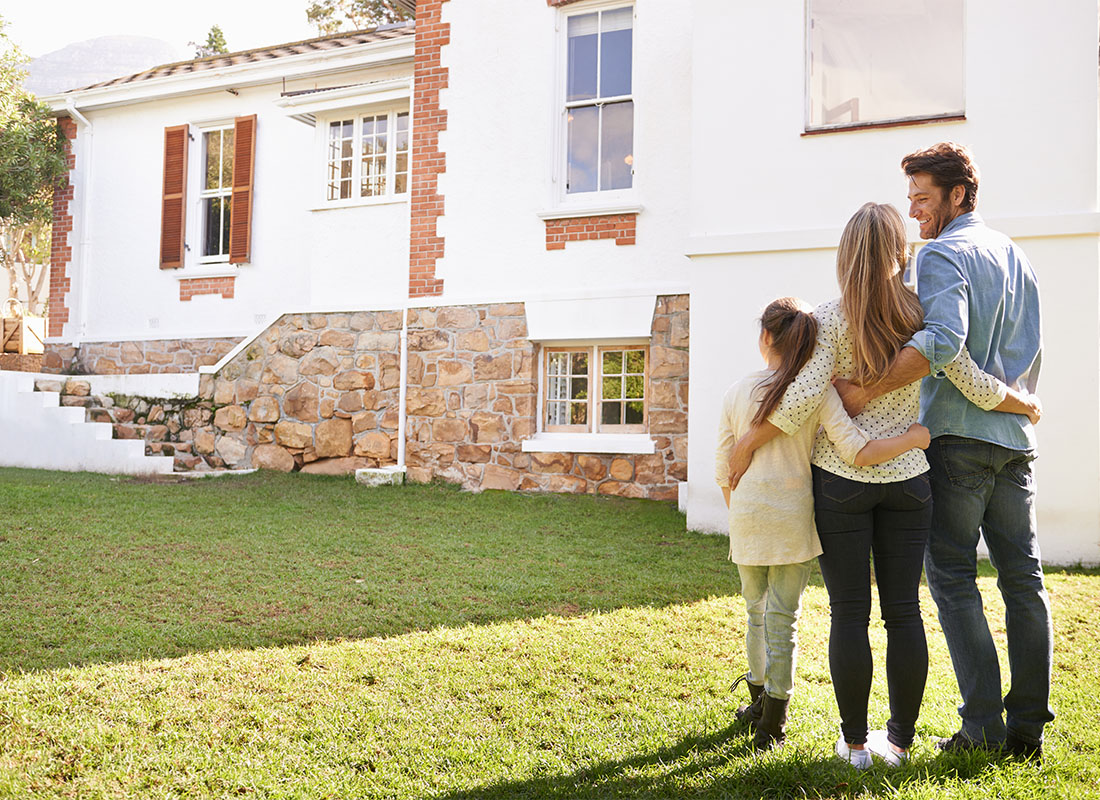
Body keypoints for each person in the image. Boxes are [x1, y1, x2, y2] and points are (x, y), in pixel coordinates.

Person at [725, 202, 1038, 768]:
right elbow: (973, 383)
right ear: (901, 253)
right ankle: (899, 743)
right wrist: (1024, 404)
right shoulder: (921, 315)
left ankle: (855, 744)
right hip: (909, 483)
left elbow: (798, 403)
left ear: (846, 255)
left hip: (842, 483)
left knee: (849, 612)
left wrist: (746, 442)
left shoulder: (827, 318)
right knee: (903, 612)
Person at [833, 143, 1052, 760]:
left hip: (957, 441)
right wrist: (1018, 406)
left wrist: (866, 387)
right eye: (911, 200)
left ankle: (982, 728)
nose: (914, 213)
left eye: (923, 199)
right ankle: (1027, 731)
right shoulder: (1018, 257)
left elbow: (942, 340)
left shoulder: (941, 254)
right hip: (1015, 441)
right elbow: (1031, 355)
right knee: (1024, 581)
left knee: (953, 579)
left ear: (958, 195)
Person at [715, 296, 931, 752]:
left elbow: (723, 467)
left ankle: (756, 701)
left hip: (749, 518)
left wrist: (740, 512)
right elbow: (855, 448)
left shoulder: (737, 392)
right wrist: (913, 438)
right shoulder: (818, 394)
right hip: (796, 519)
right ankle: (774, 721)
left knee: (756, 612)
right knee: (785, 619)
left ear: (766, 337)